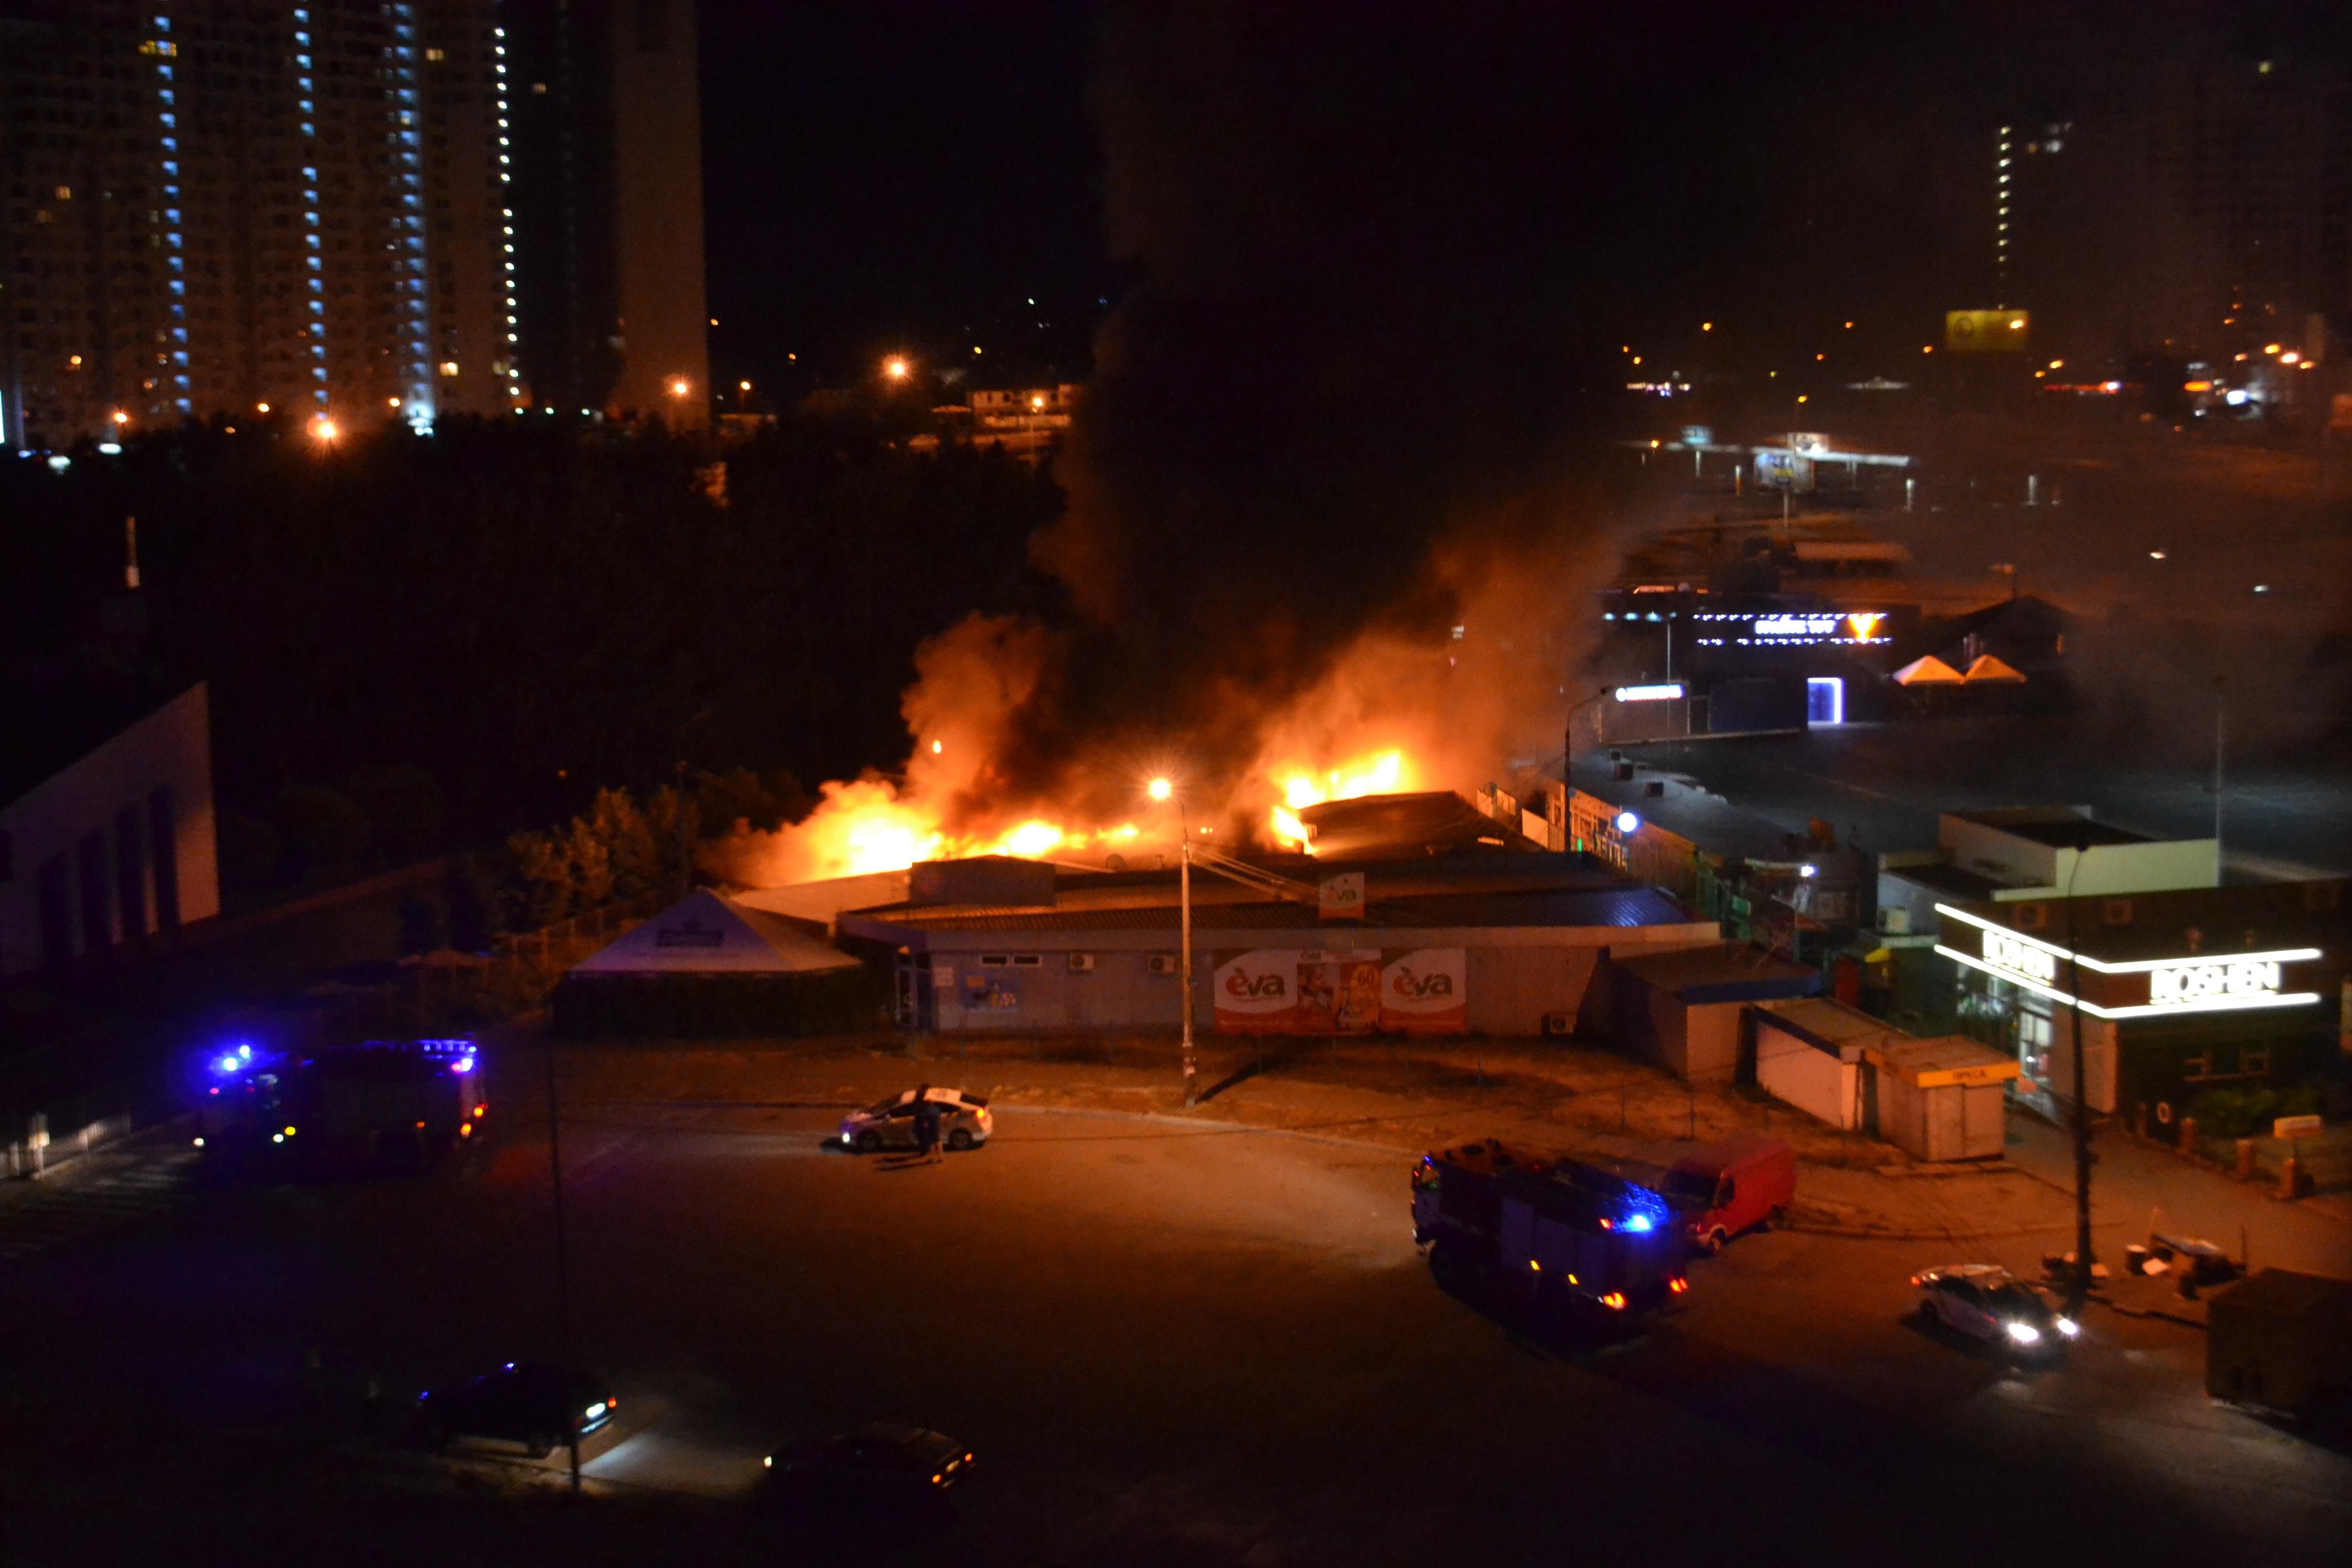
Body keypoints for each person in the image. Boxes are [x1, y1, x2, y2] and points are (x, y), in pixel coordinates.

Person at [913, 1091, 942, 1164]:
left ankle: (932, 1159)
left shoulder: (927, 1111)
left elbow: (922, 1117)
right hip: (937, 1127)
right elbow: (939, 1115)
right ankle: (941, 1157)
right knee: (938, 1143)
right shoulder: (937, 1109)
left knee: (931, 1144)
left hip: (930, 1129)